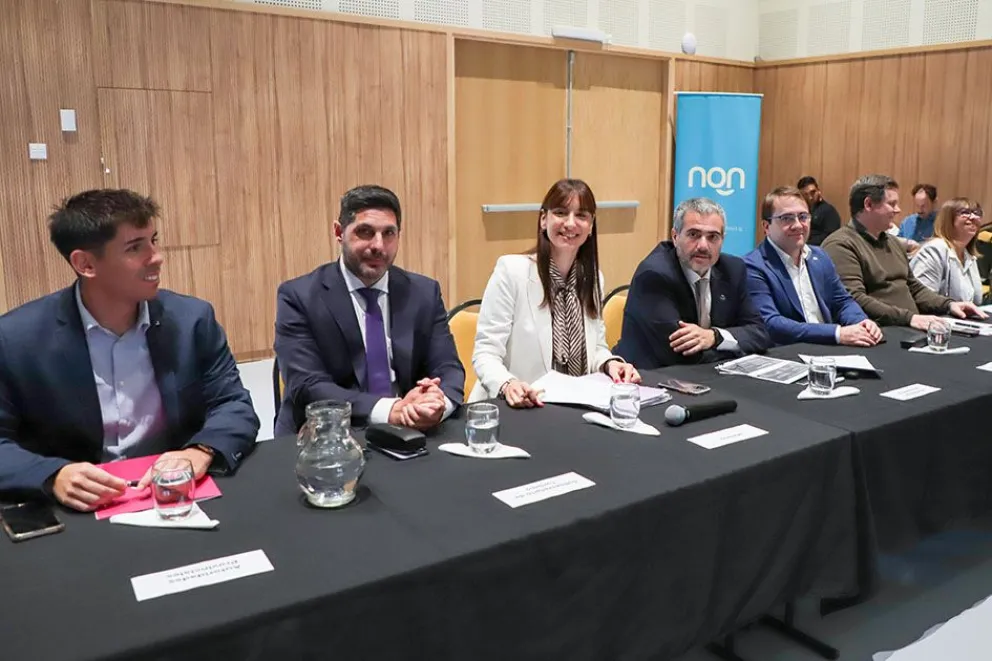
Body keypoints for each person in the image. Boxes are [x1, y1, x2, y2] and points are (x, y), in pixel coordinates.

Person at [0, 189, 259, 511]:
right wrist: (53, 475)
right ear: (85, 263)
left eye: (154, 240)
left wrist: (199, 451)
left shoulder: (191, 320)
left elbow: (233, 403)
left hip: (171, 494)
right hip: (76, 509)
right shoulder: (16, 339)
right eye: (135, 247)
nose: (157, 257)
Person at [274, 185, 464, 434]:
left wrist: (436, 404)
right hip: (326, 433)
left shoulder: (423, 292)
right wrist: (391, 410)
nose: (378, 245)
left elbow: (448, 367)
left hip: (410, 431)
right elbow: (307, 385)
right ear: (339, 232)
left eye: (389, 233)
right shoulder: (299, 296)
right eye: (365, 232)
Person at [471, 179, 640, 408]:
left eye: (581, 215)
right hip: (516, 407)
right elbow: (486, 353)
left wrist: (610, 363)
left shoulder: (593, 280)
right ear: (544, 219)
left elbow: (596, 347)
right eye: (561, 213)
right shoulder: (512, 271)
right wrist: (507, 384)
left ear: (591, 226)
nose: (570, 223)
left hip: (573, 406)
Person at [615, 198, 769, 368]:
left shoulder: (733, 269)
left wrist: (715, 337)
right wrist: (735, 346)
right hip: (646, 375)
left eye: (713, 237)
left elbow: (760, 334)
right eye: (694, 235)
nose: (703, 246)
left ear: (722, 240)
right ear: (675, 237)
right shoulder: (655, 274)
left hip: (705, 374)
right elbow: (679, 355)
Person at [822, 175, 985, 328]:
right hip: (880, 331)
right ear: (869, 204)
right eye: (892, 204)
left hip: (908, 327)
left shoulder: (893, 242)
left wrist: (949, 305)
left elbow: (915, 289)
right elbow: (854, 300)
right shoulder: (841, 244)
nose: (898, 210)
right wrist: (910, 318)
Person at [744, 186, 883, 347]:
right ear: (766, 226)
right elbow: (770, 323)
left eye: (803, 217)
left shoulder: (820, 256)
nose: (798, 225)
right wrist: (837, 333)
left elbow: (842, 302)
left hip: (831, 349)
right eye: (787, 218)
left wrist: (861, 322)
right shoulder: (753, 266)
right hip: (788, 352)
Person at [910, 198, 984, 305]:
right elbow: (921, 299)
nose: (973, 217)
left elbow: (976, 301)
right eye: (965, 212)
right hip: (934, 315)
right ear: (948, 219)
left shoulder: (969, 256)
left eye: (977, 213)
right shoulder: (934, 250)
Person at [798, 176, 842, 246]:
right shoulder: (800, 211)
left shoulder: (828, 211)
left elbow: (831, 236)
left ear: (818, 191)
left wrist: (805, 243)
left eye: (813, 192)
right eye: (805, 194)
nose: (810, 197)